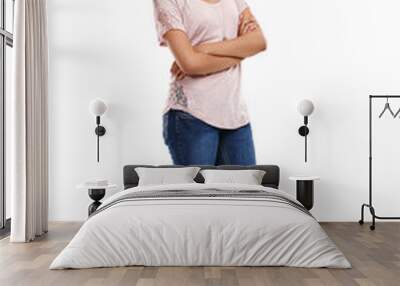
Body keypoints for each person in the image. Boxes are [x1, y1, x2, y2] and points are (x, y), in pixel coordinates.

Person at [153, 0, 267, 165]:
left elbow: (258, 42)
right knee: (199, 191)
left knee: (246, 190)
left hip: (235, 116)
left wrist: (202, 49)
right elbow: (191, 64)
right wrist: (242, 50)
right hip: (191, 115)